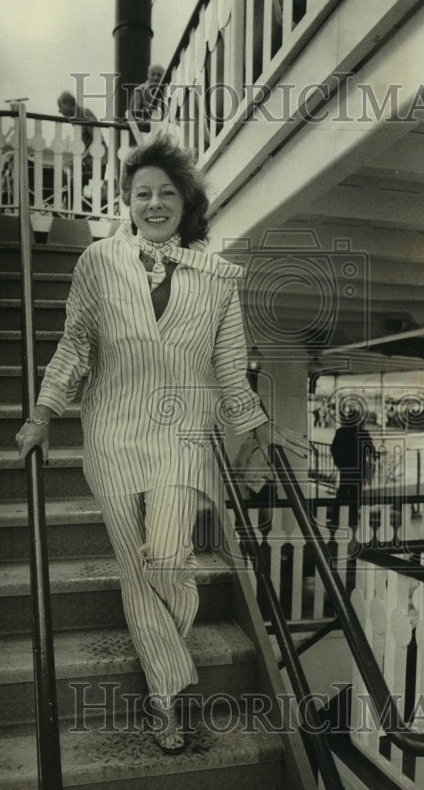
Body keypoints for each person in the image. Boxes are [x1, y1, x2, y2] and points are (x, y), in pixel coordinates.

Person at [16, 135, 275, 754]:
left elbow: (232, 367)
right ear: (127, 202)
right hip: (110, 431)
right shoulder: (99, 263)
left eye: (166, 193)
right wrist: (43, 415)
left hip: (183, 435)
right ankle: (173, 695)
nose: (154, 204)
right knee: (136, 566)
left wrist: (260, 430)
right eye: (142, 194)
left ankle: (169, 680)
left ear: (187, 202)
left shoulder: (219, 279)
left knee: (168, 556)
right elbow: (76, 345)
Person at [328, 404, 376, 536]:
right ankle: (353, 518)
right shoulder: (363, 433)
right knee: (355, 493)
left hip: (345, 467)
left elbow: (334, 448)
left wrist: (338, 462)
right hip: (359, 468)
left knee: (342, 491)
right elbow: (371, 450)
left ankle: (337, 517)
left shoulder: (341, 432)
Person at [57, 90, 106, 191]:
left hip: (96, 161)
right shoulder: (74, 118)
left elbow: (98, 140)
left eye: (60, 106)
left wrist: (83, 157)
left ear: (67, 104)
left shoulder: (85, 114)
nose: (59, 111)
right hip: (88, 162)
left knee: (87, 192)